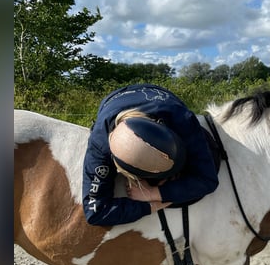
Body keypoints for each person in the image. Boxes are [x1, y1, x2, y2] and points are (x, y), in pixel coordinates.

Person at [82, 84, 219, 226]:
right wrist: (151, 206)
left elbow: (208, 180)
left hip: (160, 96)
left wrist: (153, 193)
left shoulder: (182, 118)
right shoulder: (99, 146)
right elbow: (95, 212)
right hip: (113, 100)